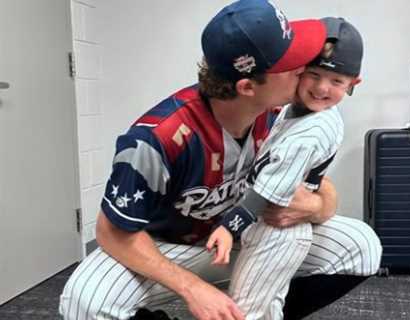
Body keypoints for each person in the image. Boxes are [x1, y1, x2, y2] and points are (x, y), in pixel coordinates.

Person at [58, 1, 332, 319]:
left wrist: (318, 206)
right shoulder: (155, 138)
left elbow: (320, 186)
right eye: (290, 64)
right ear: (246, 86)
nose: (304, 69)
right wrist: (192, 287)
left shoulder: (280, 114)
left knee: (359, 244)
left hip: (241, 238)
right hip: (165, 248)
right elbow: (109, 231)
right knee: (84, 301)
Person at [206, 17, 382, 320]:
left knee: (251, 309)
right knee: (259, 303)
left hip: (275, 229)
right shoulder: (289, 107)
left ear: (354, 84)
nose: (322, 88)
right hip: (260, 220)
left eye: (337, 81)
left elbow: (266, 193)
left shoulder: (313, 128)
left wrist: (229, 227)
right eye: (313, 75)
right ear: (297, 71)